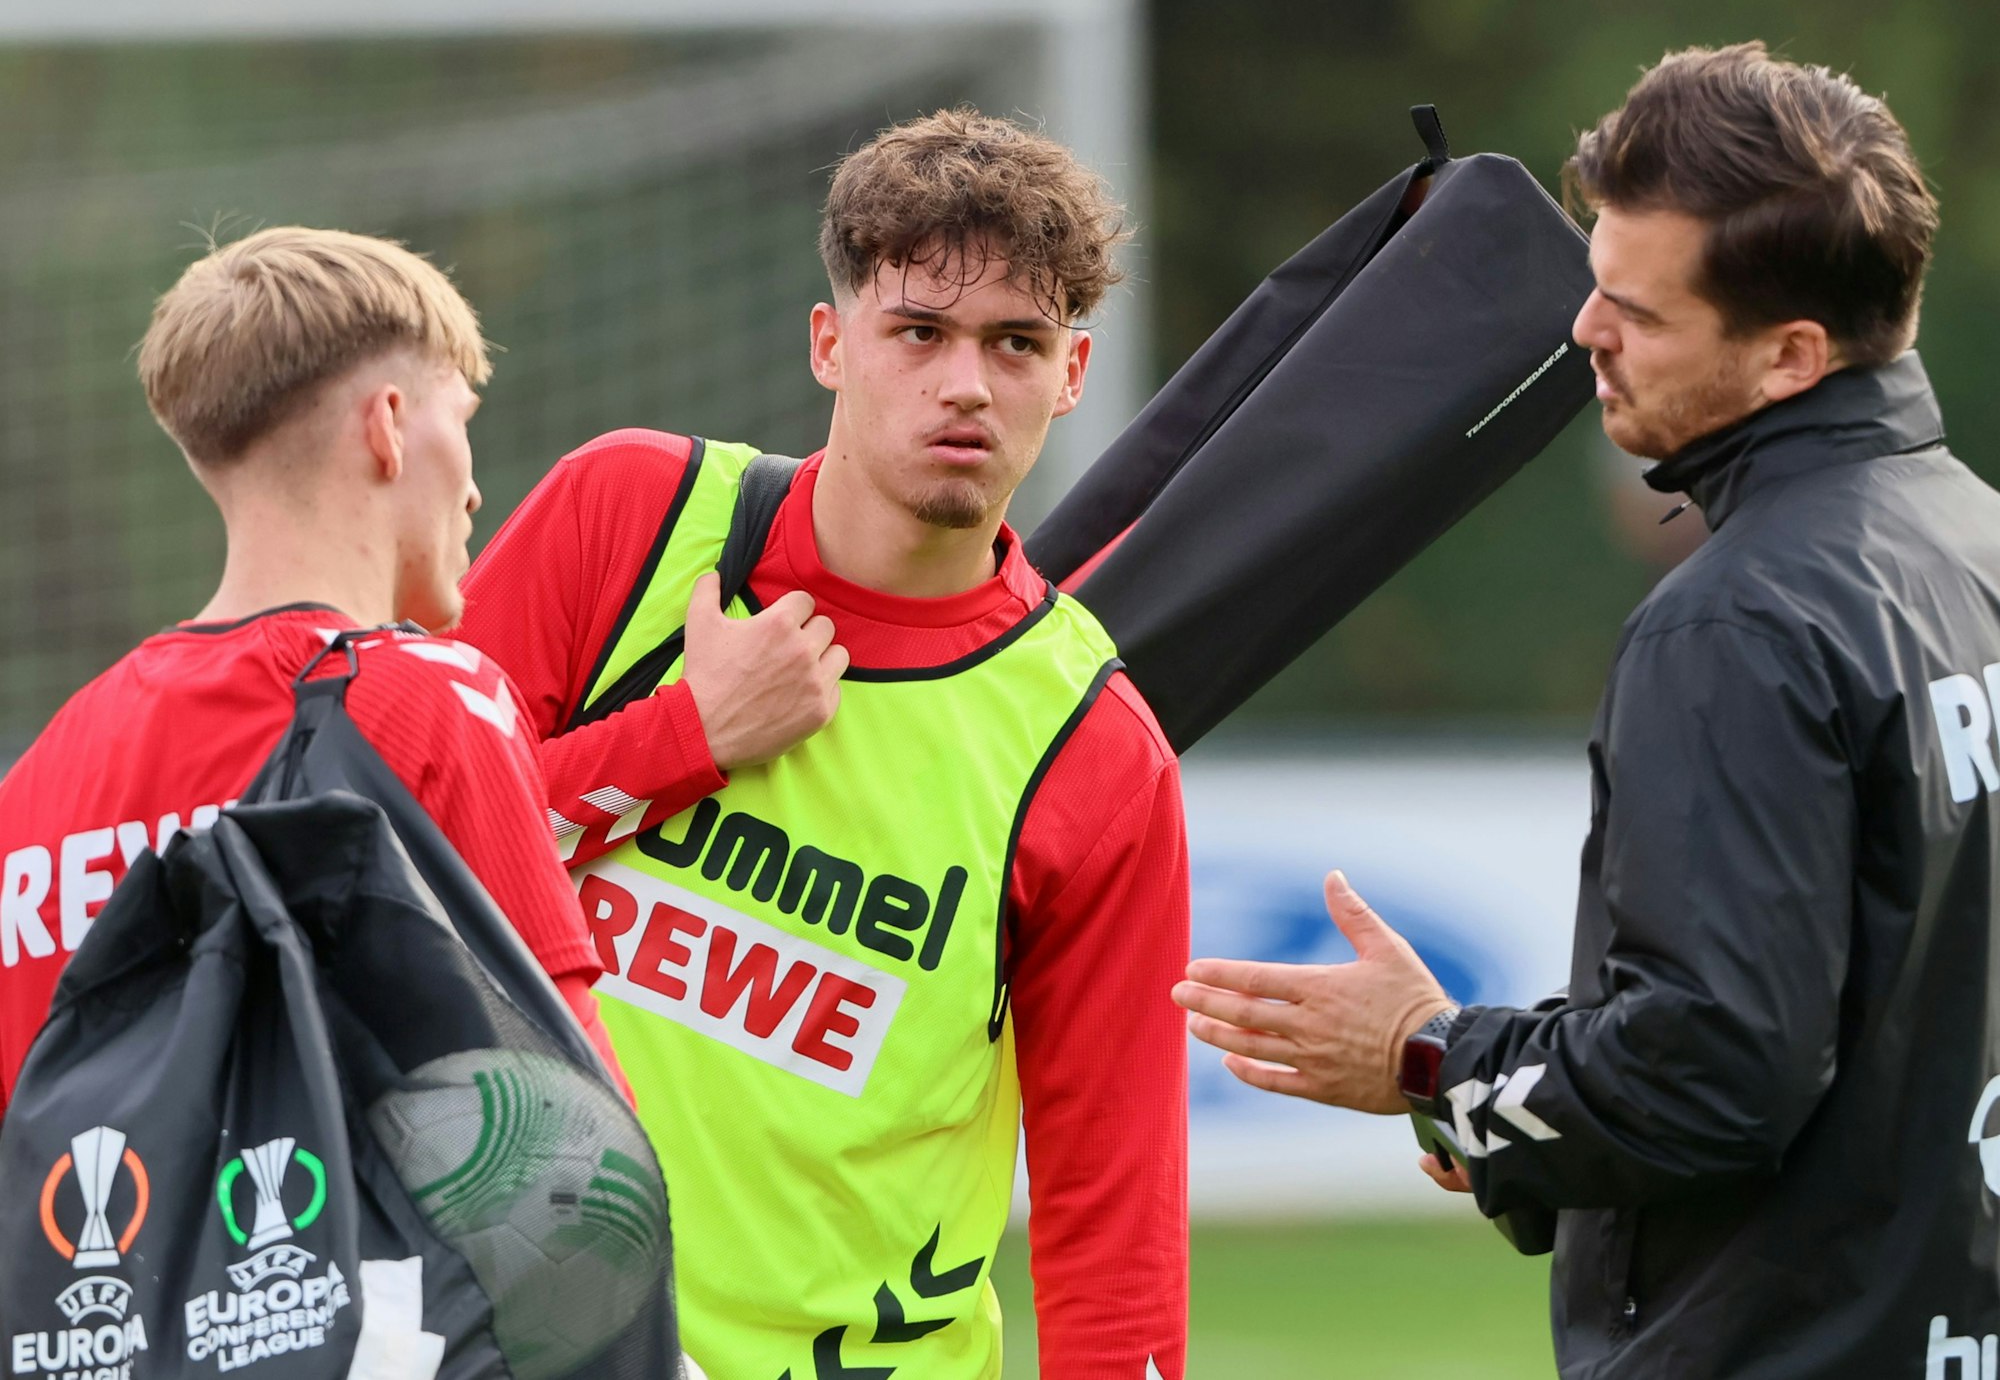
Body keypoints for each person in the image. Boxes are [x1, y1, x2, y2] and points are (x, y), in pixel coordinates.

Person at [1175, 42, 2000, 1378]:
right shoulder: (1977, 545)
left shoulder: (1738, 620)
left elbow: (1714, 1076)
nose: (1583, 333)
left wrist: (1428, 1060)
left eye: (1639, 311)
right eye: (1592, 287)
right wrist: (1500, 1109)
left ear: (1792, 353)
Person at [453, 108, 1190, 1380]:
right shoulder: (627, 518)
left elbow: (1111, 1206)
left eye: (1015, 343)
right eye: (918, 332)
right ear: (830, 343)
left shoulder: (1096, 749)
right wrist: (683, 735)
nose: (965, 384)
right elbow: (391, 858)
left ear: (1070, 376)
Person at [0, 227, 628, 1110]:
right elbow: (579, 1139)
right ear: (390, 427)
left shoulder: (44, 776)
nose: (476, 488)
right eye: (462, 418)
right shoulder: (432, 697)